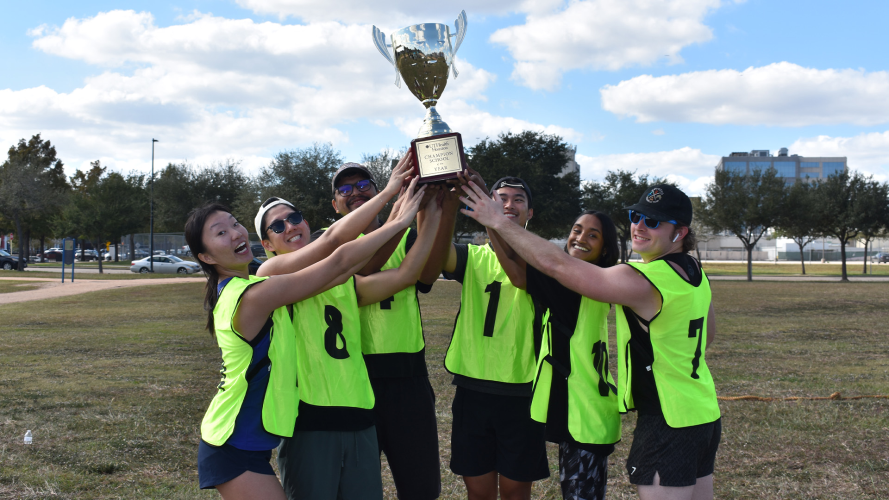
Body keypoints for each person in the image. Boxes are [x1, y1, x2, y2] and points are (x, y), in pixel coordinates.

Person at [458, 182, 721, 500]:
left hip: (667, 420)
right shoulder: (695, 271)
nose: (639, 226)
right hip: (703, 412)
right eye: (637, 216)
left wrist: (498, 222)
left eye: (653, 222)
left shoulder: (645, 278)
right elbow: (708, 335)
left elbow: (556, 265)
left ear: (679, 233)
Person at [185, 198, 417, 500]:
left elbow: (339, 270)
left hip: (245, 444)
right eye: (220, 233)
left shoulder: (246, 287)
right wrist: (398, 220)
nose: (235, 233)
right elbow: (338, 259)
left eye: (234, 223)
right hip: (230, 446)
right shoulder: (252, 295)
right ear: (206, 256)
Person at [256, 173, 442, 500]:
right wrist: (396, 207)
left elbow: (406, 273)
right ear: (267, 245)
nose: (290, 227)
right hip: (308, 420)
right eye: (277, 226)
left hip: (358, 417)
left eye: (294, 218)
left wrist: (434, 210)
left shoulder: (341, 281)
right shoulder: (267, 277)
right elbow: (336, 251)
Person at [421, 174, 548, 500]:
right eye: (500, 198)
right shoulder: (472, 257)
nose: (508, 204)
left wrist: (491, 218)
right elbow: (432, 257)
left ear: (530, 212)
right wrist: (443, 202)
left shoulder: (544, 259)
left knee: (515, 495)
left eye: (518, 199)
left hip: (523, 394)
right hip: (472, 392)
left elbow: (519, 276)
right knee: (478, 494)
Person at [487, 210, 622, 500]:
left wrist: (491, 221)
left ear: (605, 248)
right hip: (584, 409)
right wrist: (493, 223)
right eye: (577, 229)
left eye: (593, 235)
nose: (580, 237)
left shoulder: (573, 286)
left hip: (584, 413)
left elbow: (518, 273)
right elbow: (519, 261)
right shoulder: (591, 280)